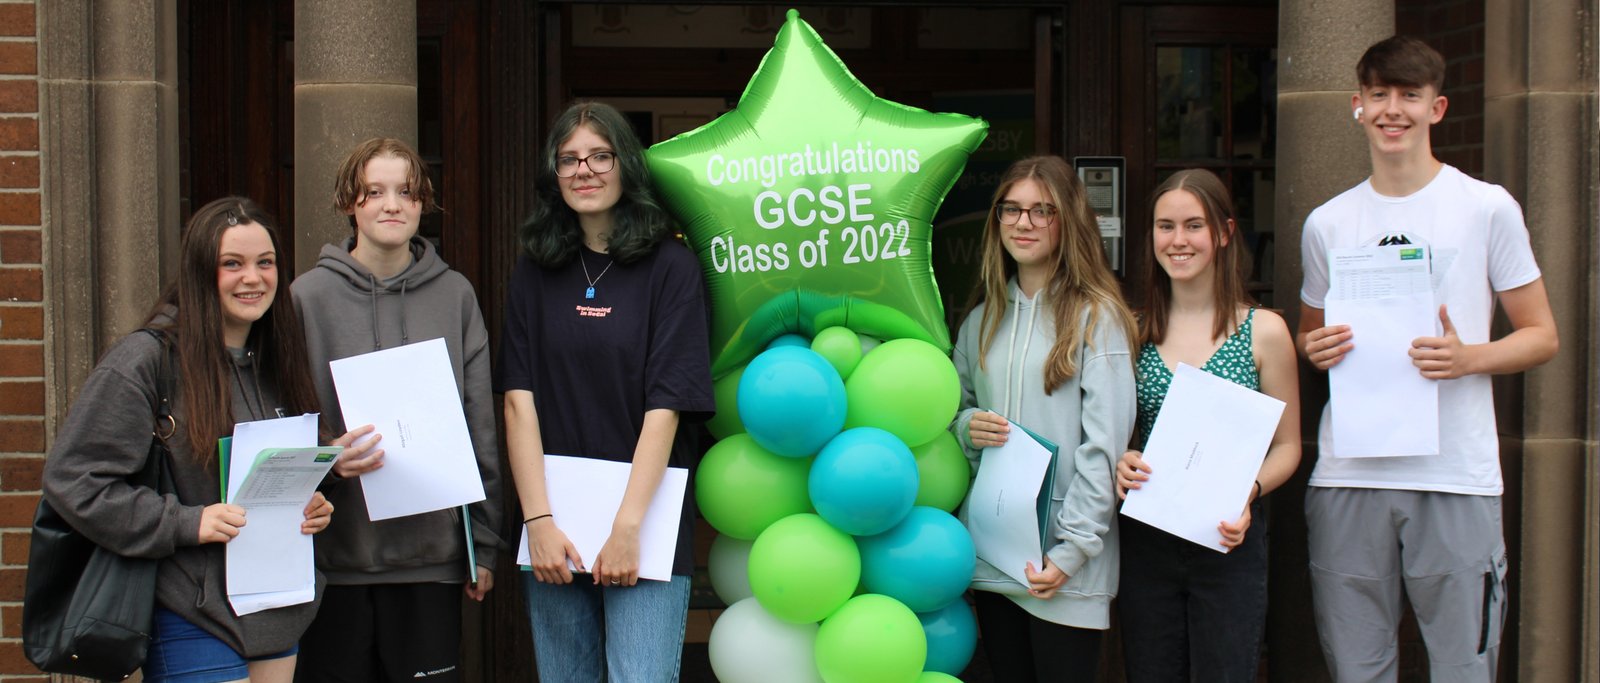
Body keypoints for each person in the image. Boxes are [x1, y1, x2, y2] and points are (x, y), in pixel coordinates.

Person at [1297, 36, 1558, 682]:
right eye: (1379, 94)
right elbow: (1310, 335)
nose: (1393, 110)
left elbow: (1542, 334)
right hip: (1350, 474)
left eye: (1409, 95)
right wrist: (1315, 346)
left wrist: (1468, 358)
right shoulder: (1327, 224)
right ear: (1357, 105)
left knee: (1464, 668)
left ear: (1436, 108)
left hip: (1455, 474)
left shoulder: (1486, 207)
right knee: (1358, 669)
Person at [41, 197, 376, 683]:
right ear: (200, 273)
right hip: (191, 611)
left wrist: (320, 495)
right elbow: (74, 481)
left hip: (278, 609)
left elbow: (273, 480)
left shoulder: (277, 361)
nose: (253, 278)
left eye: (265, 263)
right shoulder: (146, 361)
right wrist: (186, 522)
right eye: (231, 264)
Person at [497, 101, 714, 682]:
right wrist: (537, 522)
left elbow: (665, 409)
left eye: (599, 155)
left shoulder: (672, 267)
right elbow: (519, 403)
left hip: (645, 524)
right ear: (554, 173)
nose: (583, 170)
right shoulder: (534, 269)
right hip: (555, 528)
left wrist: (625, 530)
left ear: (626, 166)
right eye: (569, 159)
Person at [290, 138, 505, 682]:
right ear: (350, 203)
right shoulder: (305, 298)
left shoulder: (455, 295)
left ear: (422, 203)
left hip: (431, 558)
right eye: (375, 192)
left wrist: (482, 544)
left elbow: (479, 423)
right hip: (333, 561)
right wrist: (324, 459)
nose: (392, 204)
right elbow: (279, 419)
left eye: (406, 192)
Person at [951, 155, 1137, 681]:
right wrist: (968, 429)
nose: (1024, 223)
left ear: (1069, 220)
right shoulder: (981, 321)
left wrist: (1072, 551)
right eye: (1011, 210)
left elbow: (1103, 449)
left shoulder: (1097, 318)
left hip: (1063, 562)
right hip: (993, 557)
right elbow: (955, 415)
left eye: (1041, 211)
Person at [1112, 169, 1301, 682]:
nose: (1178, 240)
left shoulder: (1264, 332)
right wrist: (1122, 462)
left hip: (1228, 535)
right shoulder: (1133, 331)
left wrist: (1249, 492)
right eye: (1165, 226)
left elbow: (1288, 446)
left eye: (1193, 225)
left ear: (1223, 232)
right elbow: (1122, 436)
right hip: (1147, 536)